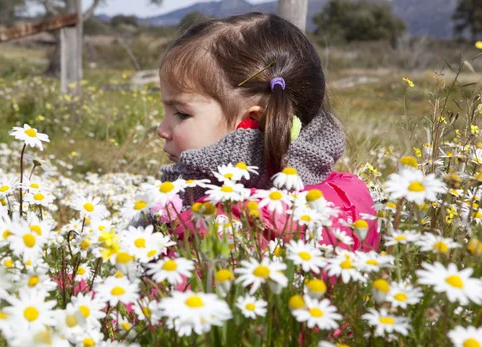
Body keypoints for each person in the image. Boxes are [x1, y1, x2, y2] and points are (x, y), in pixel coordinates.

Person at [155, 12, 379, 251]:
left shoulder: (221, 225)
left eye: (181, 113)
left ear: (253, 121)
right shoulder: (346, 195)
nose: (161, 129)